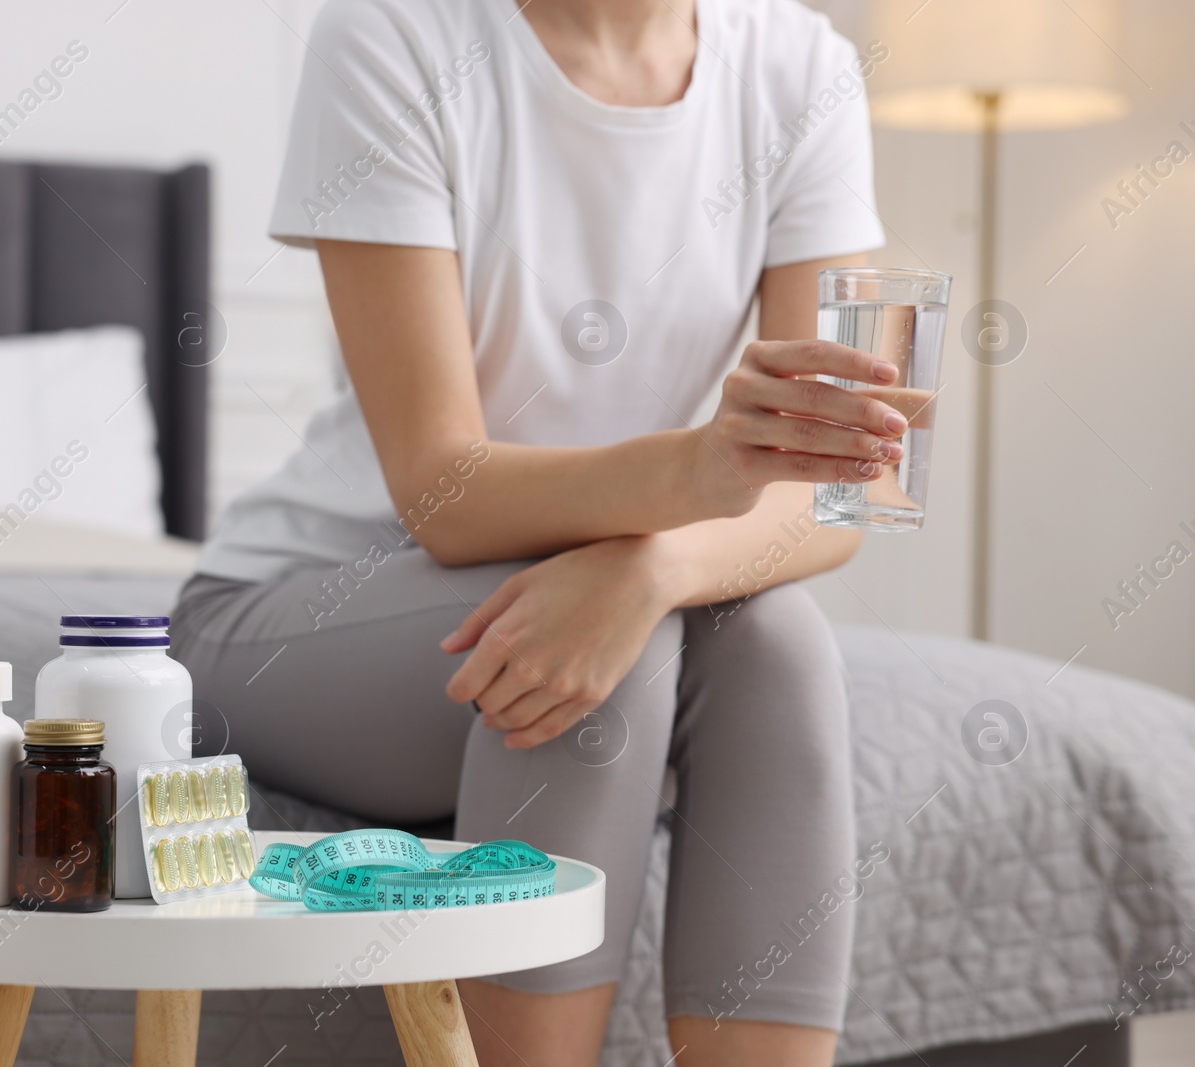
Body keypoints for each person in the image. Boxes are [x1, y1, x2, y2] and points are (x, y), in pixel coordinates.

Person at [170, 0, 897, 1062]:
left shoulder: (797, 64)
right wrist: (689, 480)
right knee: (607, 650)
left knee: (776, 644)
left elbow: (840, 494)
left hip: (608, 586)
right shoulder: (391, 35)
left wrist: (650, 565)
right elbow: (444, 493)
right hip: (306, 603)